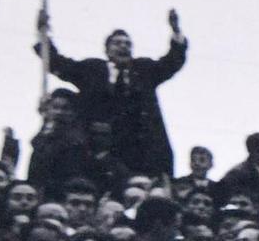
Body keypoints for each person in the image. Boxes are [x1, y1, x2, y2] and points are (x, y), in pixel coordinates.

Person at [33, 10, 187, 177]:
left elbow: (172, 63)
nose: (123, 47)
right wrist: (43, 33)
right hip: (100, 147)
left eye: (128, 44)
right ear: (107, 50)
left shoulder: (144, 70)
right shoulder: (91, 69)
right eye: (117, 43)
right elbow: (58, 63)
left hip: (142, 149)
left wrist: (176, 31)